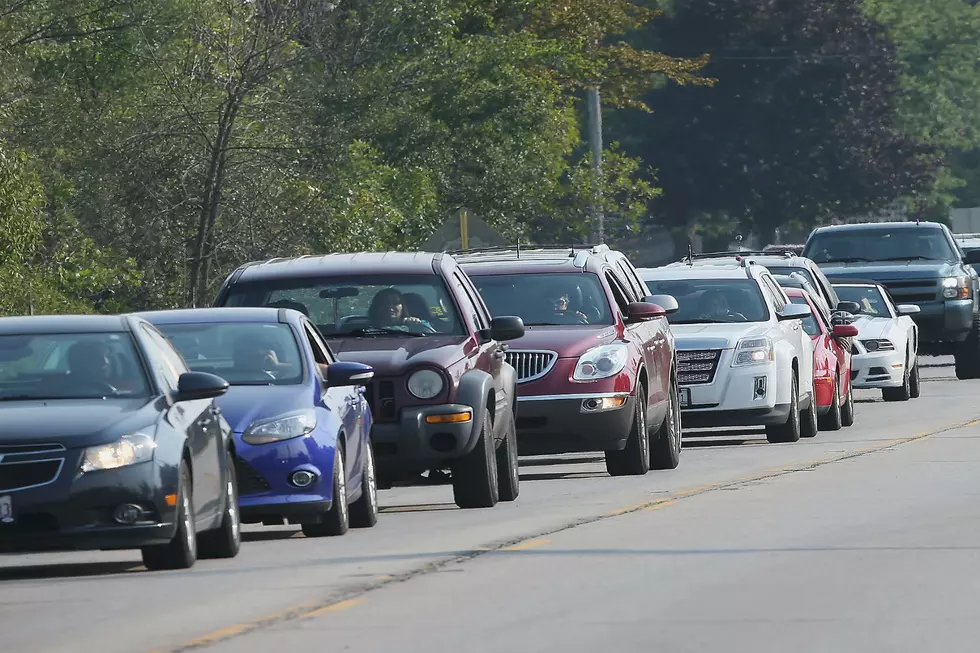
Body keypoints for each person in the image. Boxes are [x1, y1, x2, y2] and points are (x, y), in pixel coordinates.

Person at [368, 288, 434, 332]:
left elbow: (433, 337)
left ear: (403, 307)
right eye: (385, 303)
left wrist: (417, 324)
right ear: (376, 307)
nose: (390, 306)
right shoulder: (363, 330)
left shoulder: (416, 325)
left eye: (395, 303)